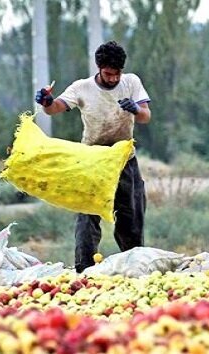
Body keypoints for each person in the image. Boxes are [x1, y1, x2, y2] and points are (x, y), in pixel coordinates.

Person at [34, 41, 151, 273]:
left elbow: (146, 115)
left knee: (131, 217)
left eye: (117, 74)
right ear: (99, 69)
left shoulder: (131, 82)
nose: (113, 79)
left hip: (123, 159)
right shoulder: (82, 87)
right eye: (108, 74)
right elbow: (55, 107)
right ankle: (84, 270)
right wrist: (46, 101)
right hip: (91, 160)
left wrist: (135, 109)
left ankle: (134, 268)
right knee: (87, 217)